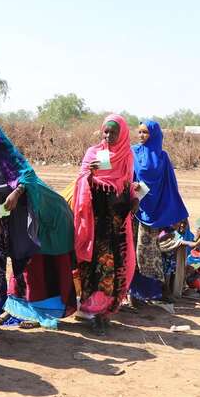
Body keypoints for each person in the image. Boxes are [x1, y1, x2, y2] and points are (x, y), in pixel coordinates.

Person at [0, 110, 77, 331]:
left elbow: (27, 174)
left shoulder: (2, 149)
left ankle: (11, 310)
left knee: (8, 263)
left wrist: (16, 193)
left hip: (15, 215)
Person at [72, 115, 137, 334]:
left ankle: (103, 311)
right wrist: (89, 174)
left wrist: (135, 200)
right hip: (95, 222)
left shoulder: (127, 156)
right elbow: (80, 182)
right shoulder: (93, 154)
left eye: (113, 132)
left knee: (115, 267)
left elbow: (128, 185)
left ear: (122, 134)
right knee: (95, 266)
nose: (108, 136)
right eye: (105, 132)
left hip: (116, 224)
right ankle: (92, 310)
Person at [129, 120, 189, 307]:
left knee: (148, 254)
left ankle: (154, 291)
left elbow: (170, 186)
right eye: (139, 132)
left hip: (154, 212)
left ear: (154, 135)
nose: (141, 136)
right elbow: (125, 175)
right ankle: (134, 295)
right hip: (133, 208)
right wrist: (132, 186)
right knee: (131, 252)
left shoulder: (163, 158)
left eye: (145, 133)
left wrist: (180, 213)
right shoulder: (132, 152)